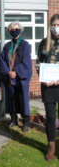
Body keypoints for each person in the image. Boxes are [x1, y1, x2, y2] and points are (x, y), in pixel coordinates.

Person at [0, 21, 32, 132]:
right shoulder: (7, 46)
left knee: (22, 99)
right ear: (9, 31)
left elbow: (26, 61)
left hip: (20, 77)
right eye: (12, 29)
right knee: (11, 98)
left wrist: (16, 72)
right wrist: (8, 72)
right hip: (10, 77)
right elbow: (2, 60)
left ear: (20, 30)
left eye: (16, 28)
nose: (14, 30)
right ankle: (13, 119)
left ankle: (26, 122)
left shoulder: (25, 44)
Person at [36, 13, 59, 161]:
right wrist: (43, 79)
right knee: (51, 117)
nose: (56, 28)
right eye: (54, 25)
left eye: (58, 25)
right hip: (48, 87)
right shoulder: (44, 43)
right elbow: (38, 63)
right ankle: (51, 146)